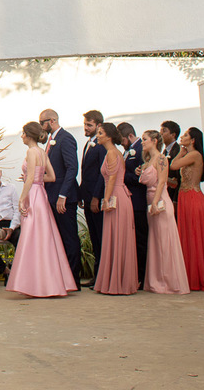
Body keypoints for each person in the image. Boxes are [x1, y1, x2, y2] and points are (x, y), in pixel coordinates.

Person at [6, 121, 77, 298]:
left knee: (32, 237)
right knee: (45, 237)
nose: (21, 136)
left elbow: (31, 179)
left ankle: (34, 283)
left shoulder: (31, 152)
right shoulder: (42, 152)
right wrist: (36, 178)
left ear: (29, 135)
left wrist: (22, 197)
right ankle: (48, 281)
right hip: (41, 195)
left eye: (23, 133)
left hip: (33, 195)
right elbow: (52, 177)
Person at [139, 130, 189, 294]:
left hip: (160, 202)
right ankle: (158, 280)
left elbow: (161, 182)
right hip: (150, 202)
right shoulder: (148, 160)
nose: (142, 142)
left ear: (154, 141)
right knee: (156, 242)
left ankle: (169, 281)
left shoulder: (160, 159)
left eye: (145, 139)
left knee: (164, 243)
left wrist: (155, 202)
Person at [93, 122, 139, 295]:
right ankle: (116, 280)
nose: (98, 136)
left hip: (116, 198)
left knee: (117, 237)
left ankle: (118, 282)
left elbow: (112, 178)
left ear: (109, 136)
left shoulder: (112, 153)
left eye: (100, 133)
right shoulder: (112, 152)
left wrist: (106, 200)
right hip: (117, 196)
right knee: (115, 238)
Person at [38, 109, 81, 286]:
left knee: (69, 237)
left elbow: (72, 168)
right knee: (59, 239)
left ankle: (73, 279)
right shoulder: (51, 140)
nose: (41, 125)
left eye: (42, 122)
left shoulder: (66, 138)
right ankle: (63, 277)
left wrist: (63, 195)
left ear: (53, 120)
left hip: (64, 198)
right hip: (52, 196)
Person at [171, 126, 204, 290]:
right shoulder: (190, 154)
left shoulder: (194, 155)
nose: (182, 138)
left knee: (194, 236)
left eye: (186, 135)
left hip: (193, 197)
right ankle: (188, 274)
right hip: (185, 197)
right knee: (187, 235)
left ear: (193, 140)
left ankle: (197, 277)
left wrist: (181, 153)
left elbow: (173, 165)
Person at [117, 122, 148, 288]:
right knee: (134, 240)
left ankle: (143, 276)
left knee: (141, 240)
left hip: (138, 201)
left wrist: (124, 177)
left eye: (122, 140)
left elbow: (141, 177)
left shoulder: (141, 150)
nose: (121, 143)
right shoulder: (127, 152)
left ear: (129, 136)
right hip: (129, 201)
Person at [78, 110, 105, 273]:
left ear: (98, 125)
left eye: (89, 125)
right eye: (85, 125)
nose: (86, 128)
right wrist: (82, 194)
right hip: (87, 197)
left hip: (97, 198)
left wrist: (96, 197)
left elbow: (102, 174)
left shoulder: (101, 146)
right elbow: (85, 172)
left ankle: (102, 273)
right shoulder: (88, 144)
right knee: (94, 237)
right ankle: (97, 273)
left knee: (100, 236)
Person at [160, 120, 182, 211]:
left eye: (164, 131)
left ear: (173, 135)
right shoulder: (164, 151)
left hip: (173, 194)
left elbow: (178, 178)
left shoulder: (178, 151)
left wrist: (175, 199)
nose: (160, 133)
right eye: (160, 131)